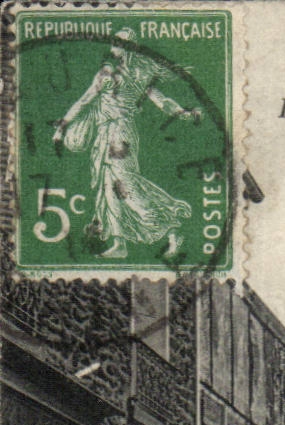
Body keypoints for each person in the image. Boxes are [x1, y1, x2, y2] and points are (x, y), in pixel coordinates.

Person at [52, 28, 201, 259]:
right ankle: (119, 243)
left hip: (120, 135)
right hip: (106, 134)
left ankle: (172, 227)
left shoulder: (130, 75)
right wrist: (183, 113)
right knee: (108, 188)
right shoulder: (113, 74)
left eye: (118, 43)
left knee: (125, 184)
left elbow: (161, 101)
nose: (114, 46)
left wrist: (183, 113)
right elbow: (84, 101)